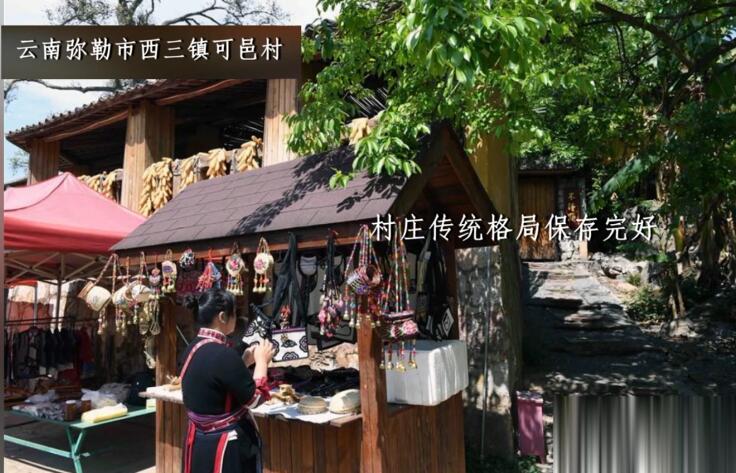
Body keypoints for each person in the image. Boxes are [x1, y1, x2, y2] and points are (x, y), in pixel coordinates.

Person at [180, 288, 275, 473]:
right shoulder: (223, 354)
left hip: (199, 439)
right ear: (222, 317)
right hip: (225, 444)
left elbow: (216, 380)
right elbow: (255, 399)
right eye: (234, 314)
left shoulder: (192, 347)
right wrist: (262, 361)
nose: (236, 318)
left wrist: (243, 361)